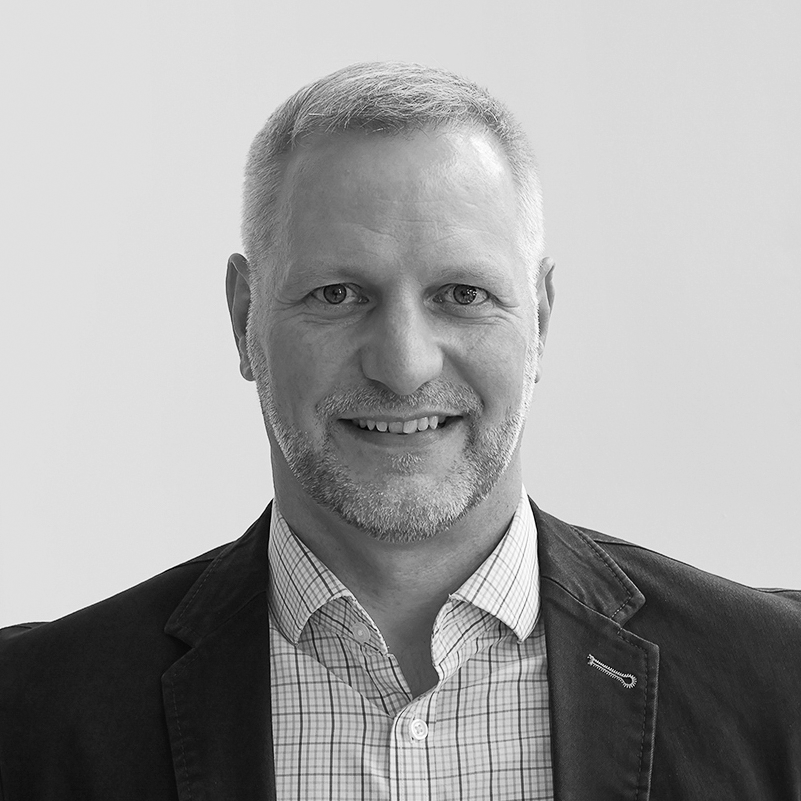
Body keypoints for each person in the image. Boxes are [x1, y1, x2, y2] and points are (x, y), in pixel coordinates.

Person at [0, 61, 798, 801]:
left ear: (541, 320)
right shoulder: (30, 716)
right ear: (244, 319)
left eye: (461, 293)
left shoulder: (779, 683)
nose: (404, 366)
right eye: (339, 294)